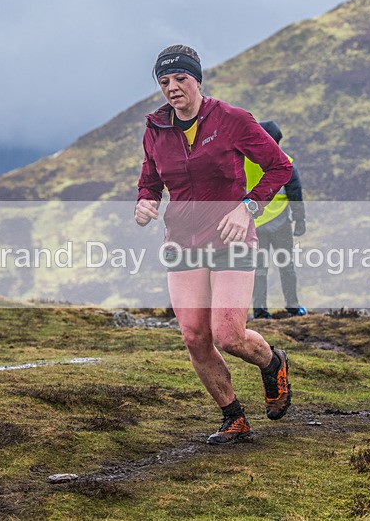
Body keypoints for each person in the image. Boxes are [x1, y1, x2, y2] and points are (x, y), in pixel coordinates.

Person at [134, 44, 293, 445]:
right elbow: (151, 178)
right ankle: (234, 418)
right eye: (164, 81)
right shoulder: (156, 130)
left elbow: (281, 166)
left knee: (229, 334)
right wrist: (145, 200)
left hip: (231, 237)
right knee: (194, 337)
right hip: (183, 242)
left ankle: (273, 362)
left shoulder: (232, 120)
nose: (172, 88)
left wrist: (248, 207)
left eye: (180, 79)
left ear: (197, 80)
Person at [244, 120, 308, 319]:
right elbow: (295, 194)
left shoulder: (245, 162)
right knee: (286, 266)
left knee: (259, 268)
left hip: (255, 223)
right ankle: (293, 306)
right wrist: (300, 221)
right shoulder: (285, 162)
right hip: (281, 223)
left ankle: (260, 311)